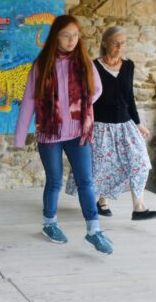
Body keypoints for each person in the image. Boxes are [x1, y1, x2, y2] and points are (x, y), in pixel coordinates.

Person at [14, 14, 112, 254]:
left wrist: (82, 106)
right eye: (66, 35)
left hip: (78, 133)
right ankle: (49, 223)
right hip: (50, 134)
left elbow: (97, 89)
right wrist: (19, 136)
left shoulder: (84, 62)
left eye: (75, 36)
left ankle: (93, 230)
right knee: (55, 181)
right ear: (55, 36)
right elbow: (28, 100)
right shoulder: (42, 64)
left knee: (86, 181)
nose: (71, 41)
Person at [66, 26, 156, 220]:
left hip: (125, 124)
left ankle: (139, 208)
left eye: (124, 43)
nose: (120, 47)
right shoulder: (92, 66)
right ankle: (102, 203)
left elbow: (129, 97)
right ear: (104, 43)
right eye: (115, 43)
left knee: (140, 162)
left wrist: (137, 123)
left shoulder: (128, 66)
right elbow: (85, 98)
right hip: (100, 126)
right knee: (103, 167)